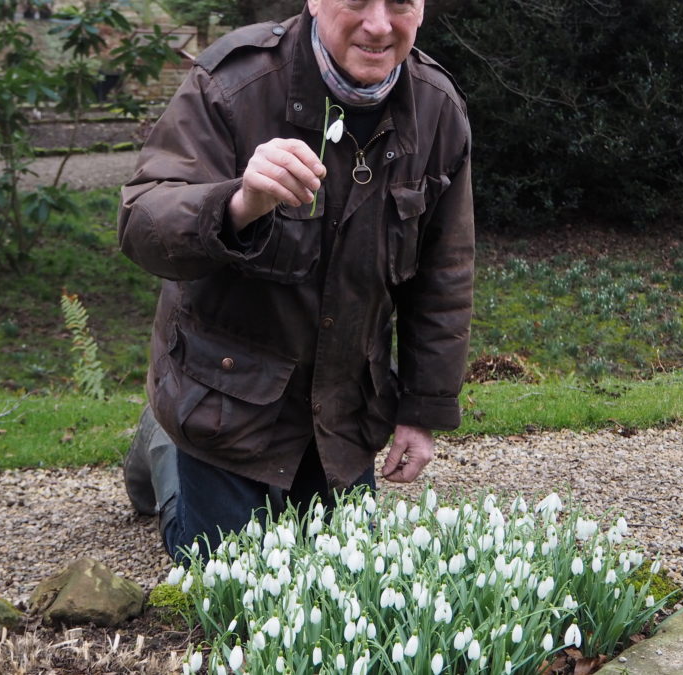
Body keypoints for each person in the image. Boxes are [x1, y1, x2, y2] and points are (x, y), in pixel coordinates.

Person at [117, 0, 474, 562]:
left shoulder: (437, 109)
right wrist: (237, 202)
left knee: (342, 582)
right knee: (222, 573)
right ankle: (161, 447)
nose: (379, 24)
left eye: (400, 3)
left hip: (343, 411)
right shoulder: (233, 83)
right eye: (357, 0)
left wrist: (422, 412)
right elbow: (141, 220)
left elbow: (444, 276)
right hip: (224, 402)